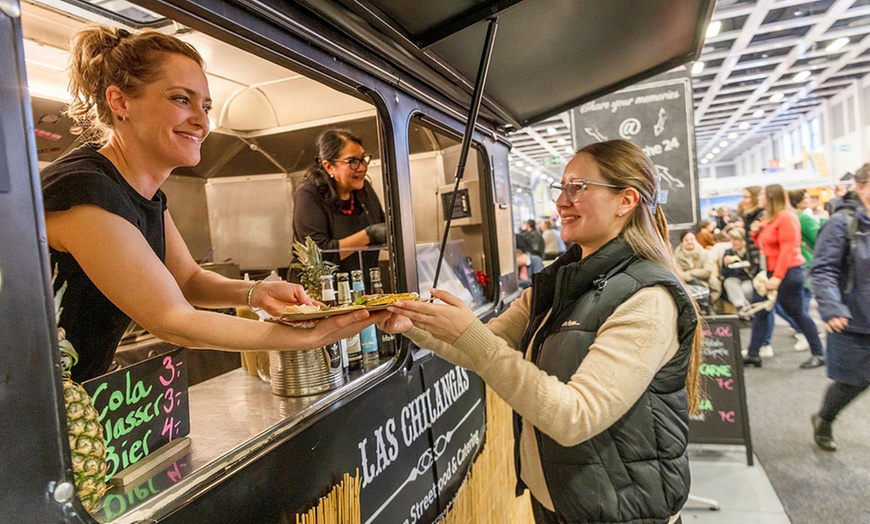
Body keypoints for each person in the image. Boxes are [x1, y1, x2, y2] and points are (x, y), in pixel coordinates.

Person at [379, 139, 702, 523]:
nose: (562, 202)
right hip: (563, 503)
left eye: (577, 188)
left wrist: (471, 335)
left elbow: (574, 417)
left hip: (622, 511)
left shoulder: (647, 299)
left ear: (626, 200)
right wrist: (413, 323)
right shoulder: (560, 284)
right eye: (561, 187)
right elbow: (483, 346)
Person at [43, 26, 384, 382]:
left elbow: (188, 279)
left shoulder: (146, 193)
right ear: (120, 101)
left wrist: (257, 293)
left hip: (68, 390)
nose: (202, 121)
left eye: (205, 106)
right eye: (180, 99)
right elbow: (174, 321)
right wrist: (307, 336)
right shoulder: (84, 191)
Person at [809, 164, 870, 451]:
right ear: (861, 187)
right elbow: (822, 270)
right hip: (853, 319)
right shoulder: (841, 223)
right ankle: (825, 418)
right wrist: (832, 308)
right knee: (852, 382)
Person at [743, 184, 825, 369]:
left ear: (771, 197)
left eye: (763, 194)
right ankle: (753, 353)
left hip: (788, 272)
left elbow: (788, 249)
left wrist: (777, 278)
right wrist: (755, 234)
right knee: (761, 312)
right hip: (772, 272)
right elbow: (766, 247)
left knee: (796, 312)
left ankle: (819, 353)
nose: (760, 198)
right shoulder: (768, 218)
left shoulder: (787, 217)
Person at [292, 129, 386, 282]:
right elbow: (318, 255)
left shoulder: (364, 190)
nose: (362, 167)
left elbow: (382, 229)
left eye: (363, 159)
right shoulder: (309, 194)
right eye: (352, 161)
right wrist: (369, 234)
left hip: (362, 287)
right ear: (329, 166)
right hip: (322, 294)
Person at [719, 227, 758, 318]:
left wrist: (744, 264)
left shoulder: (749, 253)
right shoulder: (728, 252)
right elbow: (724, 273)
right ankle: (741, 307)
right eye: (731, 239)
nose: (733, 242)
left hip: (748, 279)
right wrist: (725, 265)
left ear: (742, 240)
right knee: (728, 282)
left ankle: (744, 310)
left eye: (736, 239)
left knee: (745, 289)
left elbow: (754, 270)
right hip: (734, 279)